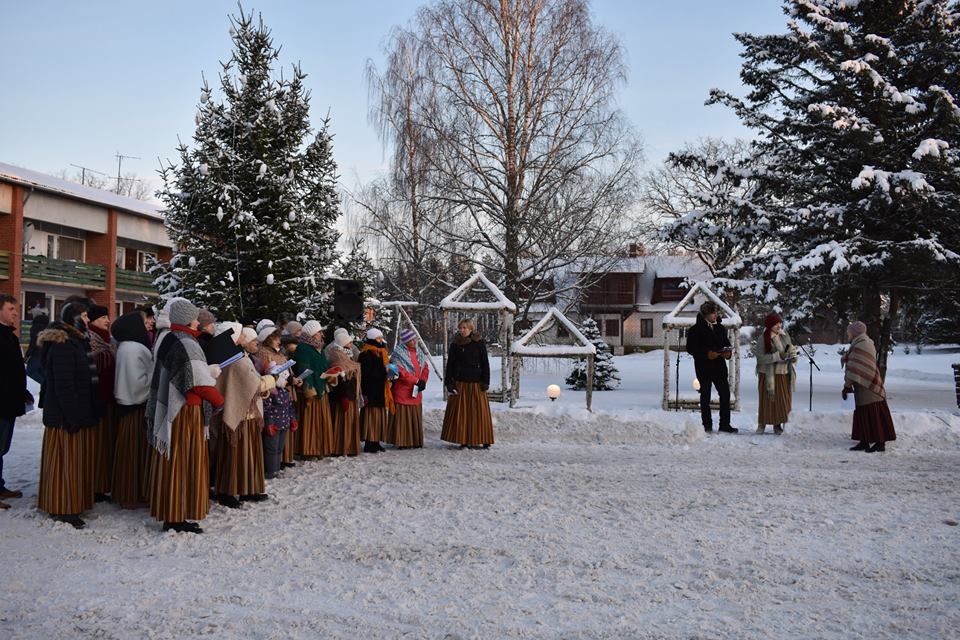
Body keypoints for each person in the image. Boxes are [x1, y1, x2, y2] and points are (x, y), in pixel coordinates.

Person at [146, 298, 224, 533]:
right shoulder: (185, 342)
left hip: (175, 408)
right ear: (189, 319)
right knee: (182, 462)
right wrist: (219, 401)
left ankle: (174, 512)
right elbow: (197, 382)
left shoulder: (171, 337)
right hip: (184, 412)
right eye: (196, 316)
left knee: (174, 462)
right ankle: (176, 515)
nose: (199, 320)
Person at [36, 299, 102, 528]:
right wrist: (73, 416)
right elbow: (64, 385)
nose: (87, 320)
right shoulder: (64, 343)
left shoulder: (76, 341)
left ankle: (71, 503)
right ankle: (62, 507)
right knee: (64, 464)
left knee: (72, 463)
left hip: (73, 413)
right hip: (65, 416)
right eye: (83, 316)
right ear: (73, 319)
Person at [213, 321, 272, 506]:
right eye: (241, 334)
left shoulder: (236, 355)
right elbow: (254, 384)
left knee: (248, 452)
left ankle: (246, 488)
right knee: (235, 453)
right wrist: (273, 379)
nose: (244, 337)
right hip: (239, 412)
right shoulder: (235, 359)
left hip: (246, 412)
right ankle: (228, 490)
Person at [111, 310, 154, 509]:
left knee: (132, 454)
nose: (148, 324)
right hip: (134, 407)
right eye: (144, 322)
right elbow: (136, 384)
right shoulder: (133, 349)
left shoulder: (128, 347)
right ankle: (130, 494)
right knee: (132, 456)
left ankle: (131, 492)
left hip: (131, 407)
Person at [253, 325, 300, 487]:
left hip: (284, 392)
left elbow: (286, 370)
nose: (279, 340)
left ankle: (278, 464)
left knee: (280, 439)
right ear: (268, 339)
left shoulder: (279, 353)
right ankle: (270, 468)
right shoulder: (263, 353)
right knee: (271, 442)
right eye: (276, 337)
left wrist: (292, 379)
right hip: (271, 395)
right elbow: (267, 373)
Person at [0, 294, 33, 510]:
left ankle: (0, 486)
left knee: (2, 447)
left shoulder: (9, 336)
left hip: (9, 402)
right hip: (1, 402)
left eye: (16, 308)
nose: (15, 312)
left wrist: (23, 391)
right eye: (11, 308)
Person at [842, 321, 897, 452]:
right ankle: (864, 441)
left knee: (873, 414)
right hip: (866, 383)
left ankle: (880, 443)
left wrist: (847, 386)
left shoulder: (861, 345)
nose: (847, 333)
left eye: (849, 331)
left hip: (868, 385)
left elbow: (853, 368)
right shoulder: (864, 342)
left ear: (855, 332)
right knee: (864, 414)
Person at [441, 318, 494, 448]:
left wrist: (485, 381)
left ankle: (483, 438)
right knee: (462, 414)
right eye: (461, 328)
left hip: (476, 383)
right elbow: (451, 365)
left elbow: (485, 363)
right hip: (461, 383)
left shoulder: (479, 343)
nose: (462, 330)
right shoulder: (455, 344)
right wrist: (449, 382)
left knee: (479, 413)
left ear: (471, 329)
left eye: (465, 328)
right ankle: (463, 439)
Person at [686, 301, 736, 433]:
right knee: (705, 397)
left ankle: (725, 424)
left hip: (719, 368)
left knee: (725, 395)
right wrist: (707, 354)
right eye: (712, 313)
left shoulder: (720, 328)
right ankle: (707, 425)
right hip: (704, 368)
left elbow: (726, 344)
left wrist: (727, 353)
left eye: (716, 312)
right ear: (705, 315)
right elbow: (691, 349)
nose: (715, 315)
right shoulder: (695, 330)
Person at [87, 304, 117, 502]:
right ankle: (93, 486)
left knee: (104, 445)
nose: (107, 320)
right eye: (103, 317)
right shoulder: (91, 340)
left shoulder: (107, 341)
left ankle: (100, 486)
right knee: (96, 446)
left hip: (108, 400)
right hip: (96, 400)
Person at [292, 320, 333, 462]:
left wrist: (331, 376)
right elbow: (304, 370)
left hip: (322, 389)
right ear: (311, 334)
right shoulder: (303, 349)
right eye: (318, 332)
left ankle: (320, 447)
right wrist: (309, 391)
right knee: (311, 421)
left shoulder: (318, 348)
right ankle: (309, 449)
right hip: (313, 392)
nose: (321, 334)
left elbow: (323, 367)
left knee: (320, 421)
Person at [754, 312, 797, 435]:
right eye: (775, 324)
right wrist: (778, 356)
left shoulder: (784, 335)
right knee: (767, 401)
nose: (779, 326)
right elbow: (760, 358)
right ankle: (762, 423)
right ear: (769, 325)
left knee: (781, 401)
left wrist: (792, 356)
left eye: (779, 323)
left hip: (783, 373)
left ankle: (777, 425)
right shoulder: (763, 338)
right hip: (768, 375)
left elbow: (790, 348)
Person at [388, 328, 429, 449]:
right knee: (403, 417)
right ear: (405, 341)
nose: (414, 341)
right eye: (411, 339)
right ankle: (402, 440)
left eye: (415, 338)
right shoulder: (398, 354)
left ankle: (414, 439)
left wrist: (423, 381)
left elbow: (425, 367)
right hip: (403, 390)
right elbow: (400, 372)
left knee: (414, 415)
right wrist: (416, 381)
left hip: (416, 390)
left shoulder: (419, 353)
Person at [358, 328, 394, 453]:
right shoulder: (366, 353)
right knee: (371, 417)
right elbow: (366, 373)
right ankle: (369, 441)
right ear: (372, 339)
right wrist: (384, 372)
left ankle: (376, 440)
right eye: (378, 338)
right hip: (370, 390)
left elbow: (385, 366)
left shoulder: (382, 352)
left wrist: (390, 372)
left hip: (381, 389)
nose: (381, 340)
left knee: (379, 417)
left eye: (381, 338)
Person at [327, 330, 362, 456]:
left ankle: (350, 446)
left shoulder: (348, 355)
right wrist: (343, 395)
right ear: (343, 343)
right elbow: (339, 378)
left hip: (351, 393)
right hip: (342, 395)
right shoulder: (337, 356)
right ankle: (340, 447)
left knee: (350, 422)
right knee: (342, 422)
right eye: (349, 342)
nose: (352, 344)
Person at [24, 311, 49, 385]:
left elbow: (33, 342)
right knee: (42, 372)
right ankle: (47, 386)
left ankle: (46, 385)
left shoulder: (35, 327)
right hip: (46, 355)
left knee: (31, 371)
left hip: (36, 354)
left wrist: (28, 354)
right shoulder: (48, 328)